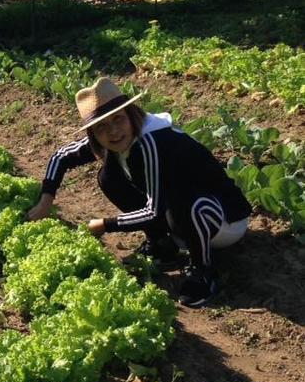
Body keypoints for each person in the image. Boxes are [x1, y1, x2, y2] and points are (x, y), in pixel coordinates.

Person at [28, 77, 252, 308]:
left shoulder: (153, 141)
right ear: (93, 133)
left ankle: (203, 271)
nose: (113, 131)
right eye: (101, 127)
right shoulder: (116, 139)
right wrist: (45, 202)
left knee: (181, 197)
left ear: (131, 114)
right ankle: (162, 246)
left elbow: (155, 211)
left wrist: (104, 224)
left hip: (223, 221)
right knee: (109, 177)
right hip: (182, 220)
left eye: (118, 119)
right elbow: (61, 156)